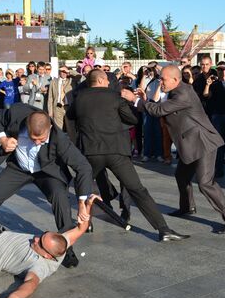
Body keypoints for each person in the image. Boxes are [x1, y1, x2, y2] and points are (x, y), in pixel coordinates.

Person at [67, 69, 189, 242]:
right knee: (138, 190)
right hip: (117, 150)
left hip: (91, 151)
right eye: (107, 81)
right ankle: (163, 229)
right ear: (101, 80)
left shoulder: (79, 99)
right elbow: (133, 119)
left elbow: (69, 118)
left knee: (85, 188)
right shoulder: (115, 97)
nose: (109, 83)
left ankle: (86, 224)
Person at [121, 65, 225, 234]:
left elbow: (160, 110)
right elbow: (159, 107)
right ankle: (187, 208)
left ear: (175, 80)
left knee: (205, 183)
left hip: (202, 142)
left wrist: (135, 100)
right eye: (160, 78)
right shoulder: (176, 90)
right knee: (182, 175)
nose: (160, 81)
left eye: (163, 79)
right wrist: (144, 99)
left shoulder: (183, 93)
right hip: (190, 142)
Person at [0, 106, 93, 263]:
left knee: (60, 197)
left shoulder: (60, 138)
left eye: (41, 140)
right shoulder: (16, 113)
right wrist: (3, 140)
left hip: (47, 172)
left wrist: (82, 202)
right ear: (27, 126)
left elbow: (83, 166)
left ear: (49, 128)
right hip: (18, 169)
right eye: (32, 138)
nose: (36, 143)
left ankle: (65, 249)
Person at [48, 65, 72, 130]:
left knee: (69, 128)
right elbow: (50, 97)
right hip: (57, 107)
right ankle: (59, 139)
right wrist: (50, 111)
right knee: (58, 128)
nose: (64, 73)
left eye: (65, 71)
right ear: (59, 72)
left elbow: (80, 76)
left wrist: (69, 71)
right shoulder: (53, 82)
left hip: (68, 108)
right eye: (62, 71)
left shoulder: (71, 81)